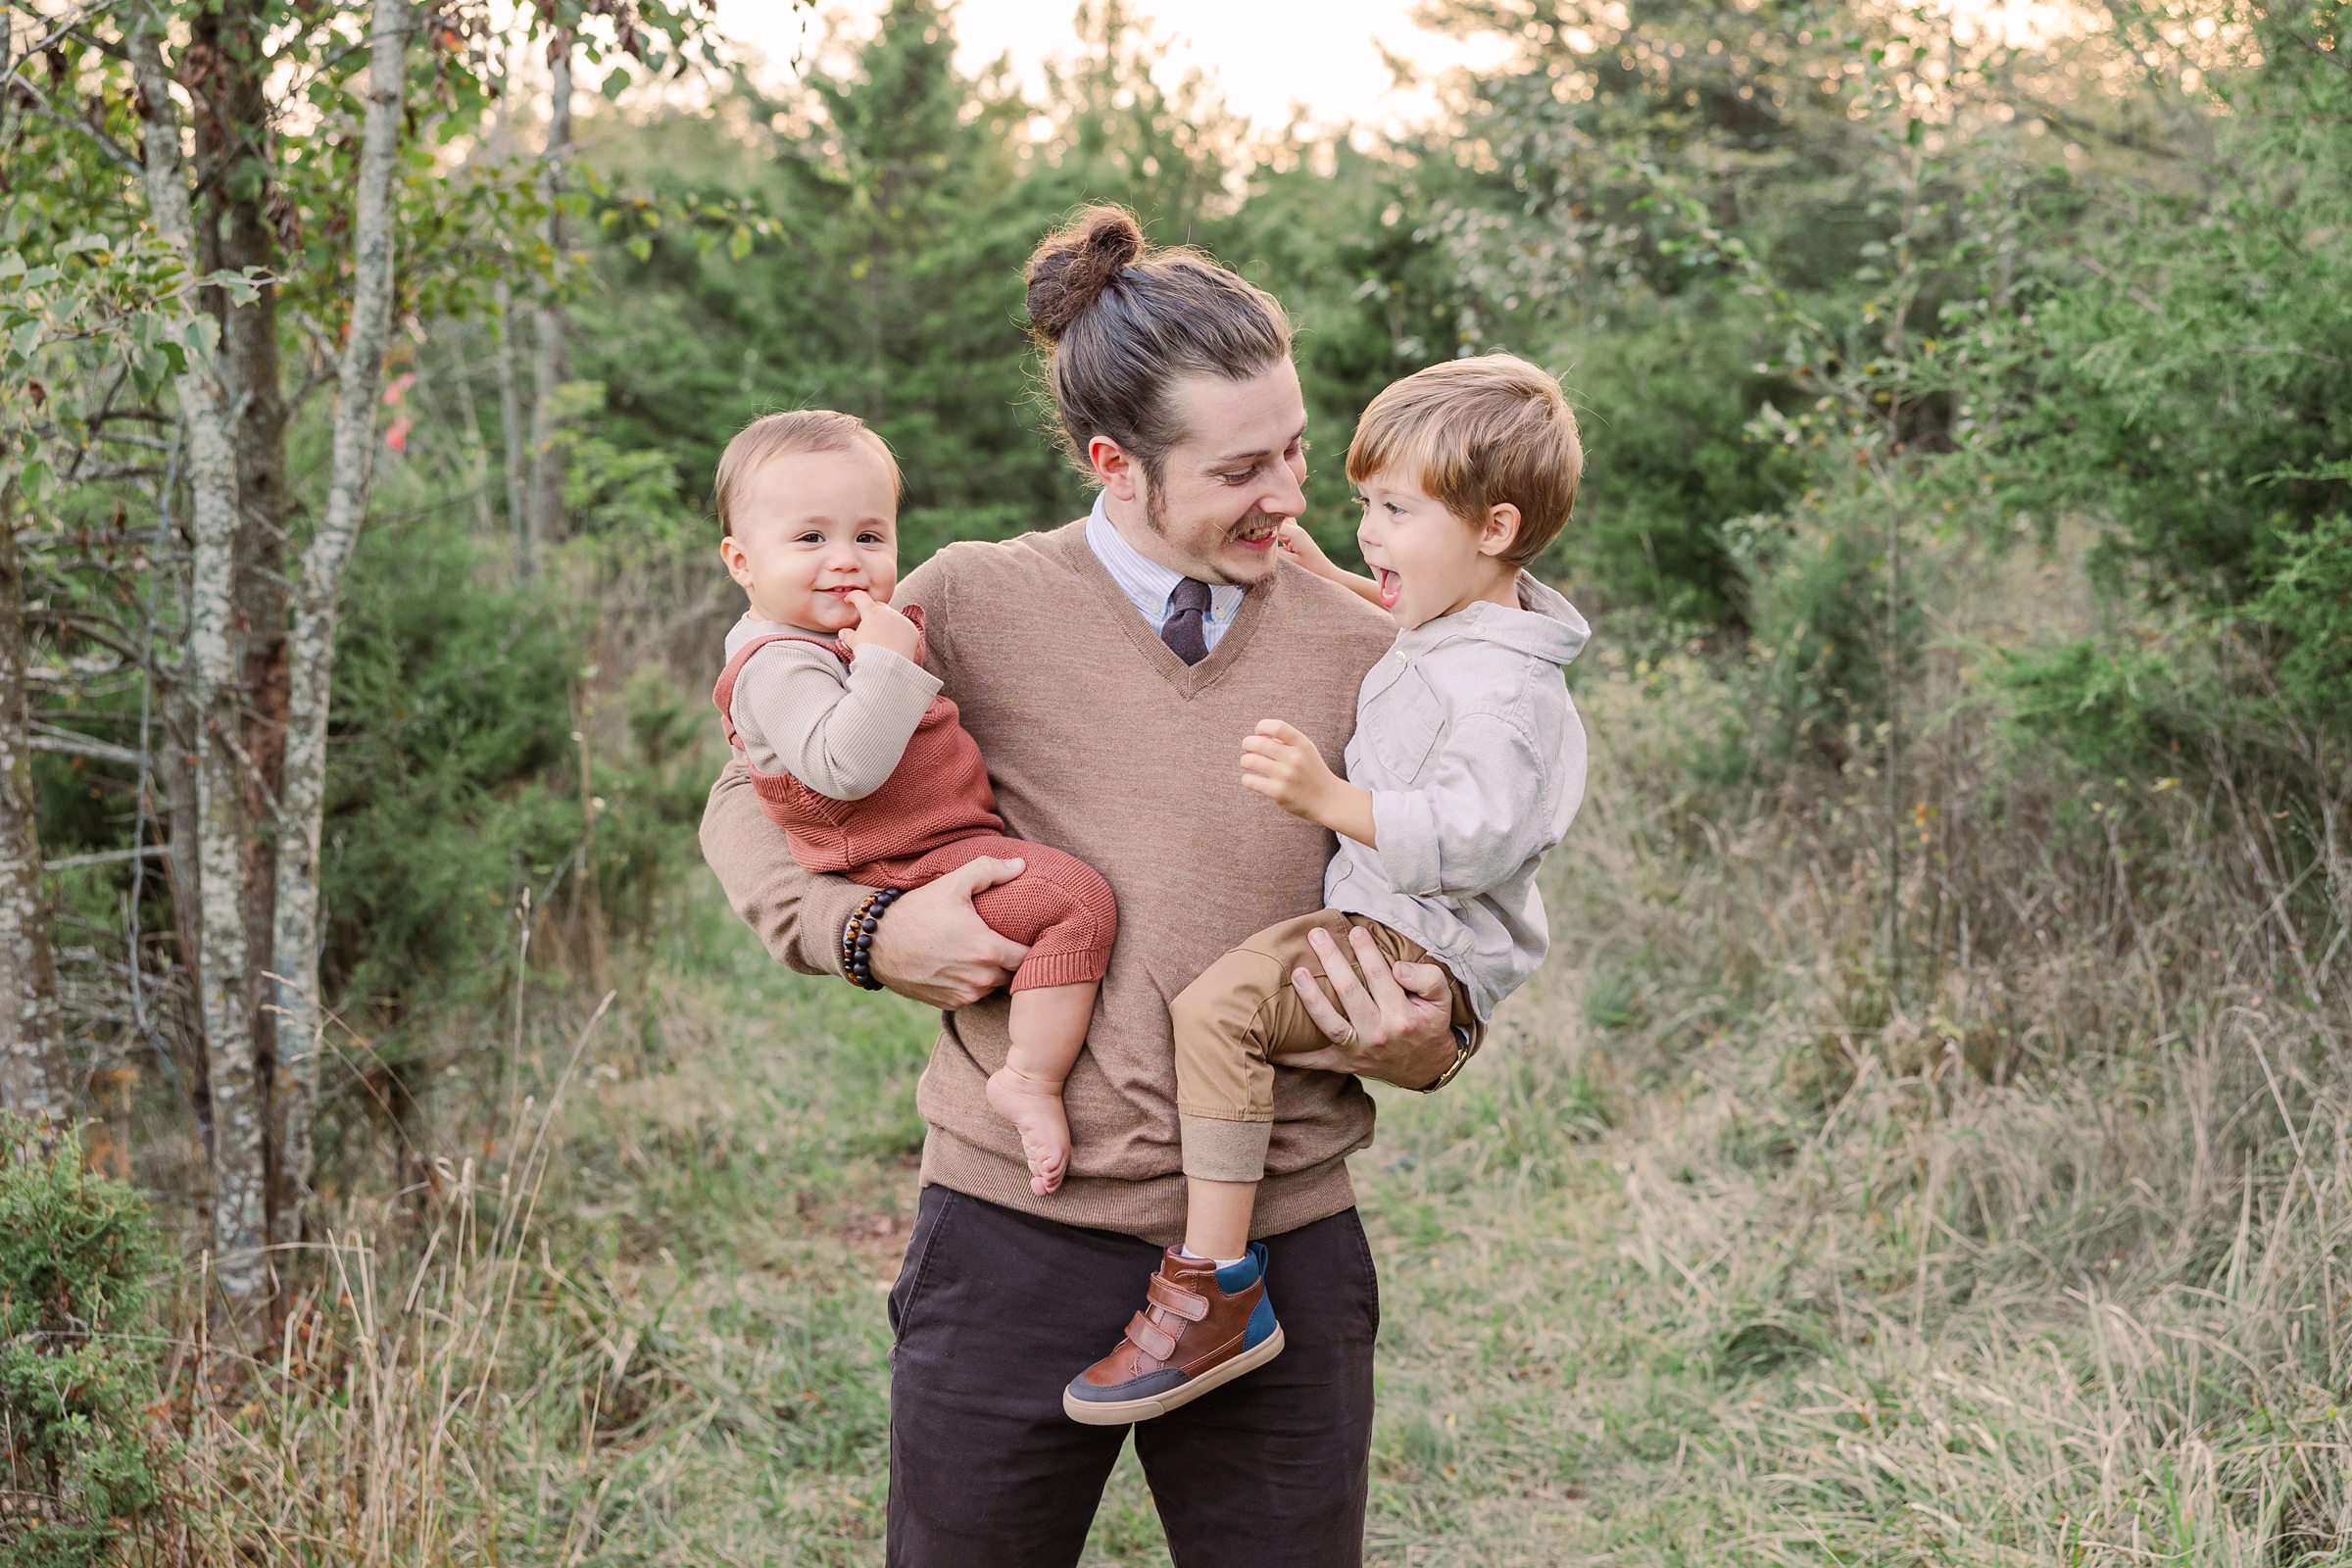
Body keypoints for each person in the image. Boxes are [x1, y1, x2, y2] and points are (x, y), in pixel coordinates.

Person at [701, 204, 1464, 1566]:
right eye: (1241, 468)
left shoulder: (1372, 649)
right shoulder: (970, 604)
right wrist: (870, 933)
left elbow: (1466, 870)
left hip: (1279, 1245)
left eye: (1295, 448)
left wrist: (1439, 1029)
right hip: (1013, 1234)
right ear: (1118, 464)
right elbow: (749, 797)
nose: (1290, 496)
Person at [1064, 354, 1590, 1425]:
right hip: (1388, 920)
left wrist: (1330, 797)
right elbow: (1416, 644)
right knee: (1227, 1011)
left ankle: (1215, 1281)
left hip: (1409, 936)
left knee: (1219, 1010)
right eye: (1366, 505)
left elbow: (1478, 833)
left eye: (1393, 511)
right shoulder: (1464, 628)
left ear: (1490, 530)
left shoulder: (1508, 696)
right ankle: (1214, 1262)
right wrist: (1327, 575)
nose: (1366, 531)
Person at [707, 409, 1116, 1197]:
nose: (845, 562)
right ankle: (1028, 1077)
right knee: (1075, 902)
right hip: (906, 859)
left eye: (868, 537)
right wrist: (887, 666)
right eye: (809, 539)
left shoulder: (837, 640)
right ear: (741, 561)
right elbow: (843, 767)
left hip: (931, 839)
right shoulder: (776, 664)